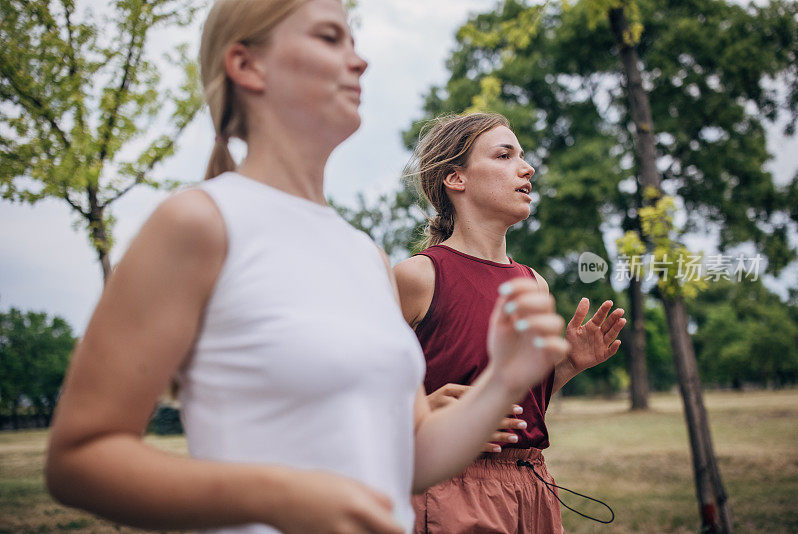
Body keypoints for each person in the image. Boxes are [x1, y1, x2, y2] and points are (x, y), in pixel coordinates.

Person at [44, 3, 570, 534]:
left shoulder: (364, 253)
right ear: (248, 67)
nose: (359, 61)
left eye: (354, 41)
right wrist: (274, 495)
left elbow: (412, 459)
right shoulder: (199, 222)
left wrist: (504, 378)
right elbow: (78, 460)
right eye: (329, 38)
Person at [394, 112, 626, 534]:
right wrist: (422, 415)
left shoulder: (533, 284)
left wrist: (568, 365)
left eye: (522, 155)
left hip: (532, 486)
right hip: (450, 488)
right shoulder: (418, 277)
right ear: (455, 179)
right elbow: (357, 395)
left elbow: (519, 405)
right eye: (504, 155)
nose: (527, 167)